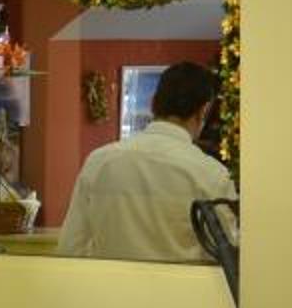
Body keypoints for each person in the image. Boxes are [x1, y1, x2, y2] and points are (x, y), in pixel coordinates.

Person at [59, 61, 235, 262]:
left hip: (108, 282)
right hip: (180, 282)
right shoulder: (212, 175)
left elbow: (71, 247)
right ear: (203, 111)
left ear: (153, 103)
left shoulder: (99, 161)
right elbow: (225, 257)